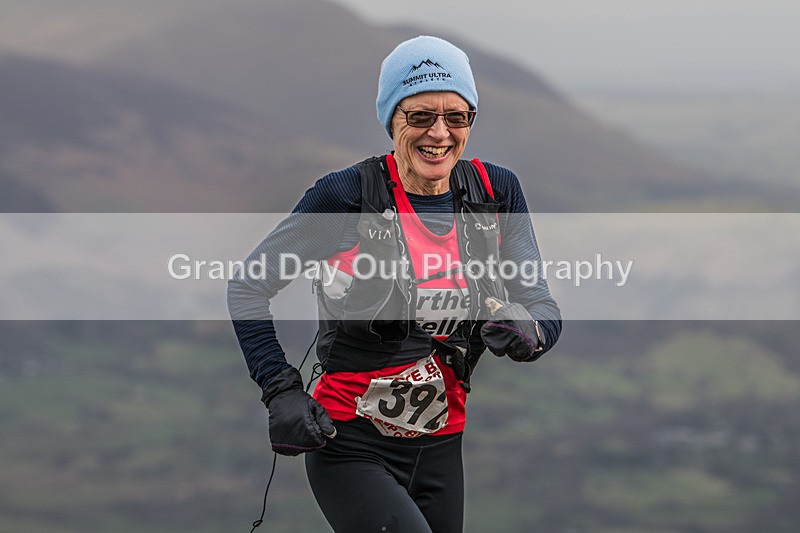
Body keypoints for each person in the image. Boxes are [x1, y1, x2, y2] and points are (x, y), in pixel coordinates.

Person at [228, 35, 561, 533]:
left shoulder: (495, 191)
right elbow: (249, 287)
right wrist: (280, 389)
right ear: (392, 120)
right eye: (420, 116)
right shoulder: (346, 196)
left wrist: (531, 332)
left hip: (443, 446)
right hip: (350, 444)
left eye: (457, 116)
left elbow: (540, 303)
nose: (440, 133)